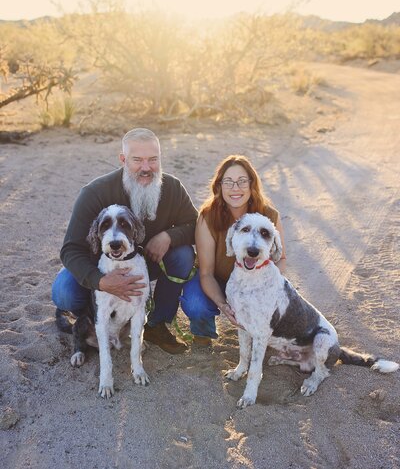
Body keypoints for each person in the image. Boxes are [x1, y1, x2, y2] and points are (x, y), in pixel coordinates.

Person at [52, 128, 198, 354]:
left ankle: (156, 324)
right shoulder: (95, 192)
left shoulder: (173, 188)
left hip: (147, 263)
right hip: (101, 267)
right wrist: (100, 281)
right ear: (123, 159)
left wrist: (168, 236)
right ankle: (92, 321)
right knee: (64, 293)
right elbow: (71, 250)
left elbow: (194, 224)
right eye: (137, 160)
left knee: (183, 255)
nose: (146, 168)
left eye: (153, 160)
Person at [180, 154, 286, 344]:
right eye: (228, 182)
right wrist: (223, 305)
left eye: (242, 181)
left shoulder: (269, 215)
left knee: (277, 306)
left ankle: (263, 334)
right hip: (218, 278)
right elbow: (206, 274)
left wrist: (267, 289)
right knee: (195, 303)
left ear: (252, 184)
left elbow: (281, 258)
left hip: (256, 281)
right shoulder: (207, 217)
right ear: (219, 186)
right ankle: (203, 332)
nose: (235, 188)